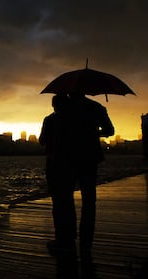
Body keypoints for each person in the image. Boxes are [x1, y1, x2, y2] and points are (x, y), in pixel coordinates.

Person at [44, 93, 114, 255]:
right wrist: (93, 133)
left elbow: (53, 137)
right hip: (90, 157)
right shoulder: (96, 107)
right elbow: (109, 130)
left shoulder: (62, 109)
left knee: (64, 199)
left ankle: (66, 240)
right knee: (89, 201)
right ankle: (86, 240)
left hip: (67, 158)